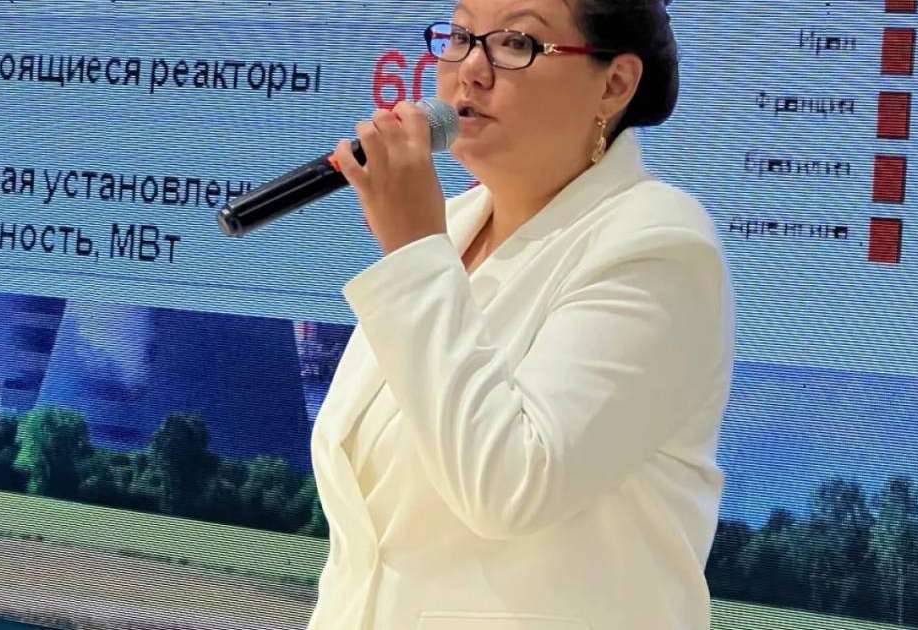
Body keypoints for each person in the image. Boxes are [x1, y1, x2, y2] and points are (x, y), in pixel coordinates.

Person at [306, 0, 734, 628]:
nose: (470, 71)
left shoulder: (659, 246)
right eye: (459, 37)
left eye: (516, 44)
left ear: (614, 85)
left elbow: (510, 487)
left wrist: (414, 256)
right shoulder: (446, 229)